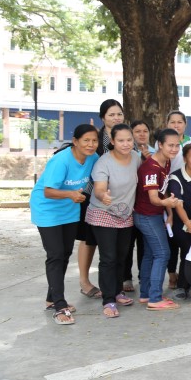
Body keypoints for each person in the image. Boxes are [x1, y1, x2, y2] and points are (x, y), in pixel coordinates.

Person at [30, 124, 100, 325]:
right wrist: (70, 194)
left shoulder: (93, 158)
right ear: (75, 141)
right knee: (55, 255)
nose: (91, 144)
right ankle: (60, 306)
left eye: (94, 140)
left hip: (69, 210)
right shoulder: (61, 160)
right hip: (47, 209)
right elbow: (48, 191)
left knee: (65, 253)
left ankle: (51, 299)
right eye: (86, 140)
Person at [87, 124, 141, 318]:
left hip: (125, 214)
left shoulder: (136, 158)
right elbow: (100, 188)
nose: (126, 144)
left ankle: (117, 292)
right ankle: (108, 300)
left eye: (129, 140)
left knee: (121, 256)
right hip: (103, 212)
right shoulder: (104, 162)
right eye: (121, 140)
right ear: (112, 141)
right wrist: (103, 196)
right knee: (108, 258)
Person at [79, 99, 124, 300]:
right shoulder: (95, 139)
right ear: (103, 117)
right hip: (92, 195)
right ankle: (84, 281)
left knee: (114, 246)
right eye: (111, 114)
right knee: (88, 240)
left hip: (120, 198)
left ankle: (116, 284)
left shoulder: (126, 137)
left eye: (119, 114)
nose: (116, 118)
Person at [134, 128, 183, 310]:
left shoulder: (166, 162)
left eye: (177, 145)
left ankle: (146, 294)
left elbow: (164, 191)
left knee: (150, 254)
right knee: (163, 254)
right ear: (160, 145)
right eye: (170, 145)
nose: (174, 149)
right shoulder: (151, 168)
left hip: (155, 215)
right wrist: (167, 204)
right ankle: (155, 298)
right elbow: (155, 199)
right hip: (146, 216)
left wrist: (169, 213)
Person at [166, 143, 191, 300]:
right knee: (186, 247)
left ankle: (189, 283)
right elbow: (178, 204)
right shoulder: (175, 177)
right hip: (178, 221)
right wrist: (188, 224)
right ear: (184, 158)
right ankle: (181, 285)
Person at [124, 119, 152, 291]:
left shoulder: (155, 152)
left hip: (146, 207)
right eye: (137, 131)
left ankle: (144, 277)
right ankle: (126, 277)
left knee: (145, 244)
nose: (142, 134)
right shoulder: (127, 153)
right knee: (127, 244)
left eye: (145, 131)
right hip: (128, 206)